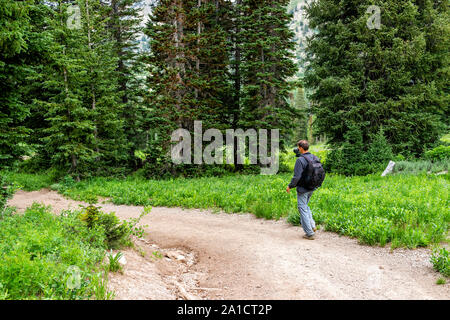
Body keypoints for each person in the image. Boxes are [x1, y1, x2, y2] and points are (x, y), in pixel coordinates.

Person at [286, 140, 320, 240]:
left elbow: (297, 177)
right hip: (312, 187)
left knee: (302, 208)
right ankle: (312, 225)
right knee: (305, 206)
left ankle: (309, 233)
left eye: (298, 147)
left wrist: (290, 186)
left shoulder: (300, 160)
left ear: (300, 148)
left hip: (303, 188)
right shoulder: (314, 157)